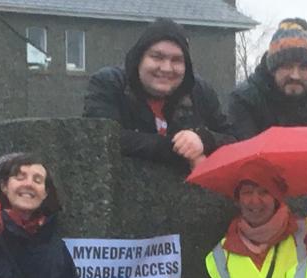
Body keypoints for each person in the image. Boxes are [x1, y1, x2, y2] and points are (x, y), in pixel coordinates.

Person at [83, 17, 234, 169]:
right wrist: (180, 148)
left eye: (176, 60)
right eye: (157, 57)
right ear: (139, 58)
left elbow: (233, 140)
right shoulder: (109, 84)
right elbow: (103, 138)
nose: (166, 68)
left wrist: (203, 140)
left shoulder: (199, 92)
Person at [228, 18, 307, 140]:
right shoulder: (245, 100)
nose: (295, 76)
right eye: (287, 66)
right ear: (273, 69)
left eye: (303, 68)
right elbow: (244, 147)